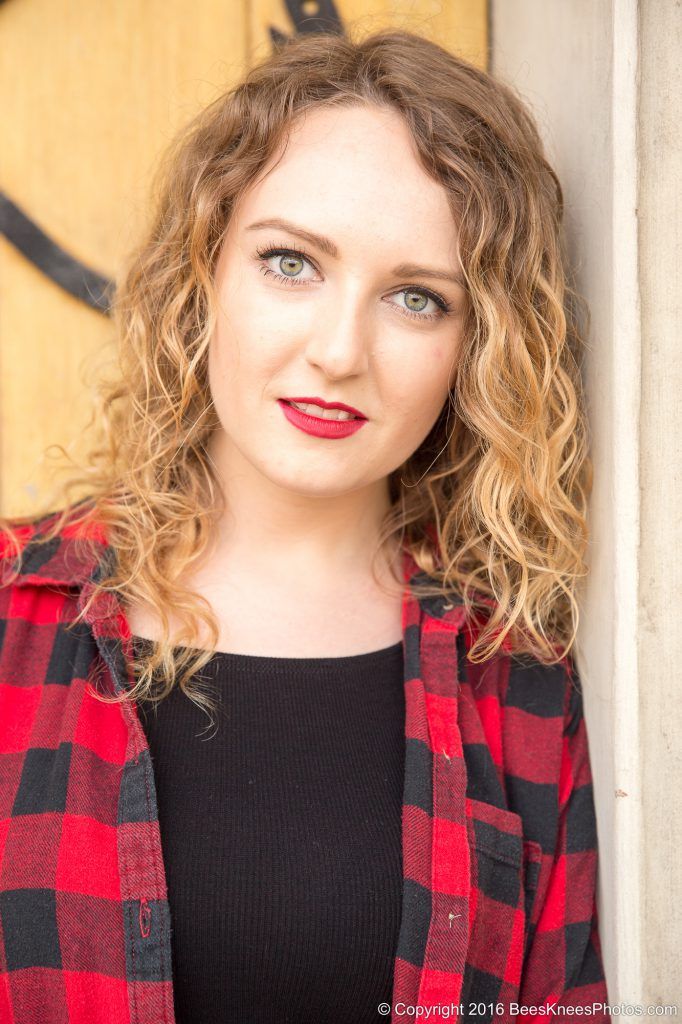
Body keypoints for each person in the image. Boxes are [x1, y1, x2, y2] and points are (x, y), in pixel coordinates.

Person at [0, 28, 611, 1024]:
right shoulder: (12, 610)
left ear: (477, 345)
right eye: (291, 263)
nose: (338, 350)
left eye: (416, 298)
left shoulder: (516, 674)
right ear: (204, 273)